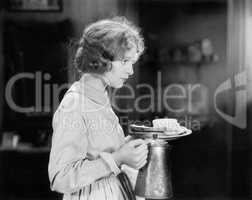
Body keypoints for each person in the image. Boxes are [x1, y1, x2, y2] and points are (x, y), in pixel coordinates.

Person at [48, 17, 148, 200]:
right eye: (125, 61)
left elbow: (98, 148)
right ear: (101, 60)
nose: (131, 71)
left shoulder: (98, 96)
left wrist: (128, 147)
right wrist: (117, 158)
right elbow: (60, 178)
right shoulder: (74, 105)